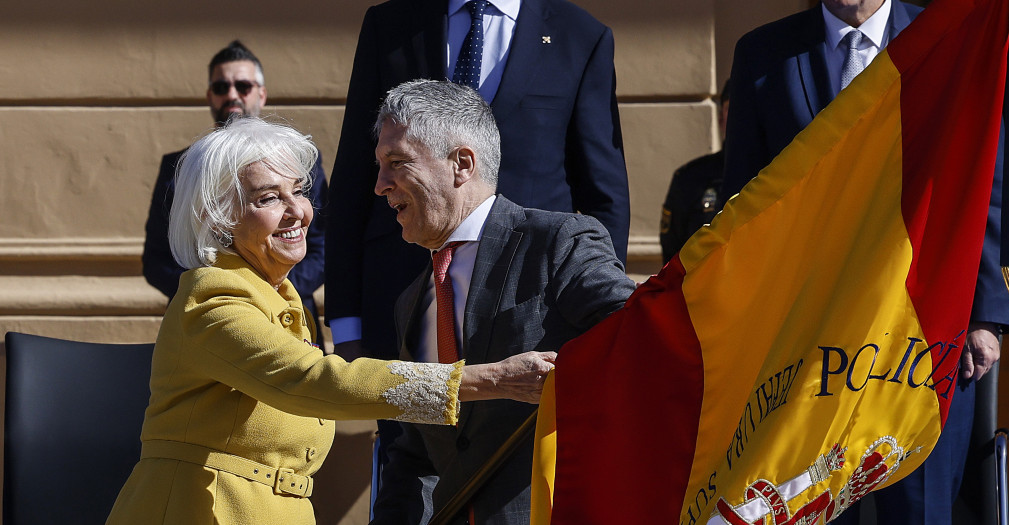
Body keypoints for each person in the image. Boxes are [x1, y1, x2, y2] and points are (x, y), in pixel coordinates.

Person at [106, 117, 555, 525]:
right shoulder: (211, 295)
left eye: (298, 192)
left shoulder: (284, 298)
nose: (297, 212)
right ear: (219, 218)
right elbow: (314, 381)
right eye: (268, 198)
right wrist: (492, 379)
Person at [720, 1, 1009, 523]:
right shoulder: (764, 53)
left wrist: (985, 314)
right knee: (808, 509)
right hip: (807, 343)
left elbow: (986, 181)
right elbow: (744, 202)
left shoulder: (949, 35)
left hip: (925, 334)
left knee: (921, 512)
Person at [368, 80, 636, 524]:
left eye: (397, 163)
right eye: (380, 166)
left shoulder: (559, 242)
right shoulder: (411, 302)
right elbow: (417, 450)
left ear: (462, 165)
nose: (380, 185)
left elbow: (634, 339)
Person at [325, 0, 629, 363]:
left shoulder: (579, 34)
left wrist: (599, 315)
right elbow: (354, 176)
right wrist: (345, 326)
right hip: (400, 297)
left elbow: (604, 192)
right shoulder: (390, 23)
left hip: (533, 308)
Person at [142, 40, 330, 345]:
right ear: (209, 96)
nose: (232, 95)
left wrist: (271, 284)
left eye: (243, 86)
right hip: (211, 321)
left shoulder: (299, 160)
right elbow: (157, 260)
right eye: (221, 86)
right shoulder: (180, 167)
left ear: (261, 94)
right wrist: (218, 291)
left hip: (291, 313)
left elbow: (323, 246)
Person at [659, 81, 730, 264]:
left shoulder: (775, 173)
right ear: (721, 119)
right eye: (732, 111)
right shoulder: (691, 178)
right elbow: (672, 252)